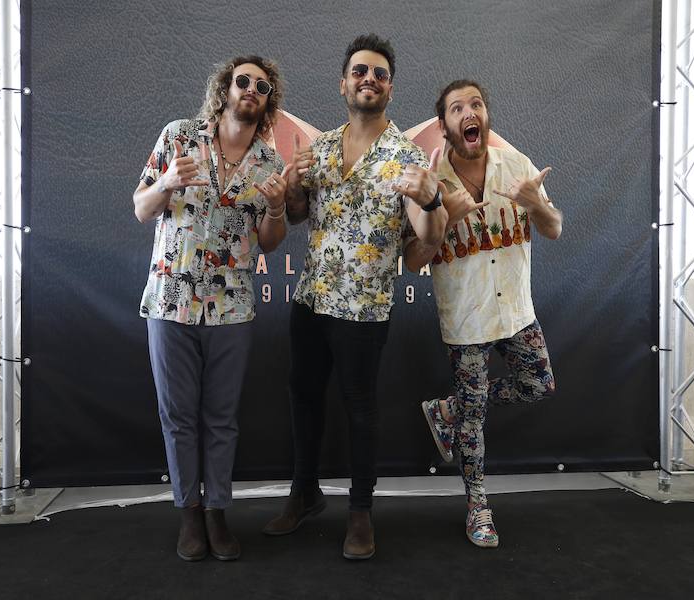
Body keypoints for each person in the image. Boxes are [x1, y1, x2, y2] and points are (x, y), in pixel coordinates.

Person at [262, 34, 448, 560]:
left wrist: (430, 197)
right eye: (360, 71)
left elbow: (425, 240)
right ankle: (305, 493)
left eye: (380, 74)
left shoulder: (407, 158)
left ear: (390, 89)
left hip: (363, 307)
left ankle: (361, 512)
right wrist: (292, 190)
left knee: (360, 409)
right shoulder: (318, 149)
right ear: (343, 83)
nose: (369, 79)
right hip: (310, 299)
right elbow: (297, 214)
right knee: (303, 399)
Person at [132, 56, 290, 561]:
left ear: (267, 103)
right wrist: (165, 185)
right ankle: (188, 515)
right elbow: (141, 208)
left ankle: (217, 512)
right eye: (243, 81)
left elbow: (270, 243)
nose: (251, 90)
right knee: (178, 415)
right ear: (225, 88)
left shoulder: (269, 163)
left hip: (231, 307)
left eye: (261, 87)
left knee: (221, 418)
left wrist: (275, 207)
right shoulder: (178, 137)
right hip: (170, 301)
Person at [404, 79, 561, 549]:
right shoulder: (430, 184)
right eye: (456, 108)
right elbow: (412, 260)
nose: (468, 112)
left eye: (475, 104)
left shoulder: (517, 167)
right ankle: (478, 507)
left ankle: (449, 408)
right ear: (444, 126)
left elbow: (553, 228)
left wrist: (536, 204)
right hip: (466, 318)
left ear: (485, 117)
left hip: (516, 309)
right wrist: (443, 214)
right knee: (472, 424)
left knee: (539, 385)